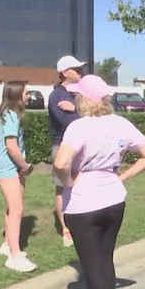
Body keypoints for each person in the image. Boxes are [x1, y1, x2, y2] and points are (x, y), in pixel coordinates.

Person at [53, 75, 145, 289]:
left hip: (84, 203)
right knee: (105, 258)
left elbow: (61, 163)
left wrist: (68, 183)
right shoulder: (120, 123)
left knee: (92, 266)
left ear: (84, 99)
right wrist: (122, 177)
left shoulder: (78, 127)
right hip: (114, 199)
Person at [0, 81, 37, 272]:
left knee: (13, 206)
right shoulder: (11, 115)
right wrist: (25, 166)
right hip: (7, 167)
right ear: (17, 95)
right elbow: (11, 146)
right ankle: (14, 255)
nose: (28, 96)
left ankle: (7, 245)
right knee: (17, 208)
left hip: (10, 167)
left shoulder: (6, 114)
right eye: (26, 93)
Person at [48, 55, 86, 247]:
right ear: (64, 72)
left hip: (80, 147)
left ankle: (79, 222)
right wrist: (77, 112)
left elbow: (95, 114)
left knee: (79, 185)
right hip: (62, 146)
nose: (80, 72)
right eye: (76, 68)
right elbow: (68, 123)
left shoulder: (78, 94)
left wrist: (76, 108)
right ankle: (65, 229)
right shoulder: (57, 95)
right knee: (62, 187)